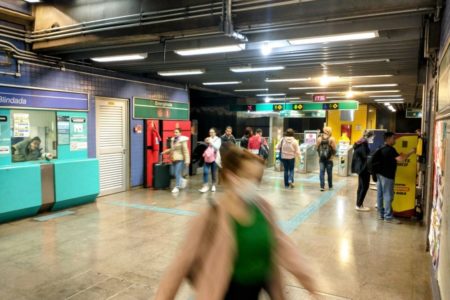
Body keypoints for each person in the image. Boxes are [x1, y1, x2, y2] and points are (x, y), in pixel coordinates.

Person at [155, 146, 318, 300]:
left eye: (257, 179)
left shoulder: (263, 208)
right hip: (225, 293)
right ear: (233, 177)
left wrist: (308, 279)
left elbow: (283, 246)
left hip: (258, 290)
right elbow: (180, 265)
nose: (254, 185)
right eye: (250, 178)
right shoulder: (210, 217)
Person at [376, 131, 416, 223]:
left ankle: (381, 215)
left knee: (380, 195)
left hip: (379, 175)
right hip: (387, 176)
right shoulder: (390, 150)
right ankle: (388, 217)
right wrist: (411, 151)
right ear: (389, 139)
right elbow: (401, 159)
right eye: (393, 138)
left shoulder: (380, 147)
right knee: (388, 196)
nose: (395, 140)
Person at [351, 130, 374, 211]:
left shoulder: (359, 142)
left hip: (360, 168)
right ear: (369, 136)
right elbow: (365, 156)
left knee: (361, 186)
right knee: (364, 187)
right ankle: (359, 205)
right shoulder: (364, 144)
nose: (373, 138)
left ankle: (359, 204)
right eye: (372, 137)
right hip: (364, 168)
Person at [163, 128, 190, 194]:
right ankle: (182, 180)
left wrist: (187, 160)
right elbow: (172, 149)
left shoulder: (183, 140)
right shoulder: (173, 139)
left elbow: (185, 151)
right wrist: (166, 152)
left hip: (180, 159)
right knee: (172, 173)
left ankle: (177, 187)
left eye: (177, 132)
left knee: (177, 173)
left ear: (180, 133)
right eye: (174, 132)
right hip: (173, 158)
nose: (175, 133)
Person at [199, 128, 221, 193]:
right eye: (210, 132)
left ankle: (213, 185)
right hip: (207, 157)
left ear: (215, 133)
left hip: (214, 158)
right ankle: (205, 186)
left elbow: (217, 147)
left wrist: (211, 142)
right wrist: (205, 142)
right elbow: (205, 147)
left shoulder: (218, 139)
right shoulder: (208, 138)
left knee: (213, 172)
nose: (211, 133)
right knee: (205, 172)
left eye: (212, 132)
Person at [316, 127, 336, 191]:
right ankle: (330, 186)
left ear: (324, 130)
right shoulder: (332, 139)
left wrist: (320, 155)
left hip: (321, 159)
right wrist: (332, 156)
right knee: (329, 173)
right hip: (329, 159)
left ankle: (322, 186)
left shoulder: (319, 138)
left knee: (321, 172)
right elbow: (334, 149)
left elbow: (317, 148)